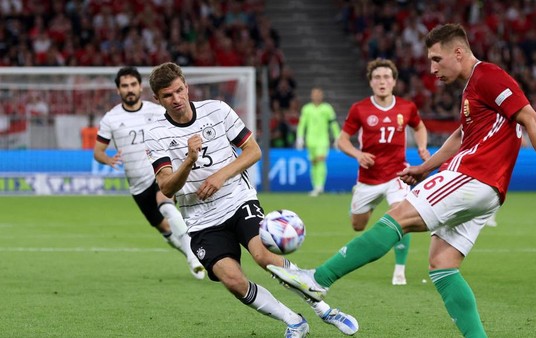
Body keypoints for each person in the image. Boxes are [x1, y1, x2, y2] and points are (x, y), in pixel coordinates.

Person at [268, 23, 536, 337]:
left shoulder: (489, 76)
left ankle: (318, 280)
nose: (432, 69)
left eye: (436, 59)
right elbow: (461, 136)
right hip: (487, 190)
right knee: (442, 264)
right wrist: (425, 166)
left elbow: (531, 118)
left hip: (472, 175)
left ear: (458, 52)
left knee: (397, 216)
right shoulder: (472, 88)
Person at [144, 62, 359, 338]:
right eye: (167, 95)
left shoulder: (217, 110)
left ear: (186, 86)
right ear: (157, 99)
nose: (176, 99)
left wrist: (220, 176)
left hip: (237, 199)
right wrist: (188, 160)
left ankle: (325, 310)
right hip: (199, 219)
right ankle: (294, 321)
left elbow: (252, 150)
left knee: (264, 256)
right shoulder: (156, 134)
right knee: (232, 280)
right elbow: (167, 187)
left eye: (178, 91)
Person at [93, 66, 206, 280]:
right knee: (164, 229)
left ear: (140, 87)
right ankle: (190, 255)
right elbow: (98, 151)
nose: (130, 89)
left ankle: (194, 257)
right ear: (118, 90)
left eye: (133, 84)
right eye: (125, 86)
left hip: (158, 171)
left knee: (166, 203)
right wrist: (107, 159)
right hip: (136, 183)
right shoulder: (111, 119)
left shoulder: (156, 110)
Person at [337, 58, 430, 285]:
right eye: (377, 77)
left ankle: (399, 270)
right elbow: (342, 140)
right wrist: (358, 155)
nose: (382, 81)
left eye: (387, 77)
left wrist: (422, 147)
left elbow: (419, 126)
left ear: (394, 81)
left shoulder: (406, 107)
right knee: (358, 225)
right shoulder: (359, 109)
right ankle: (364, 204)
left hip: (397, 174)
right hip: (368, 179)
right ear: (371, 83)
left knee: (401, 215)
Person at [296, 87, 341, 196]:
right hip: (310, 140)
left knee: (321, 161)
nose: (316, 96)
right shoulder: (306, 109)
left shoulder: (327, 108)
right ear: (311, 96)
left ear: (322, 96)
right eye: (314, 94)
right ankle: (315, 186)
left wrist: (337, 137)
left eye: (318, 94)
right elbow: (302, 124)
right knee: (313, 163)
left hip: (322, 140)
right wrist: (300, 137)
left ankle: (320, 186)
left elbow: (333, 124)